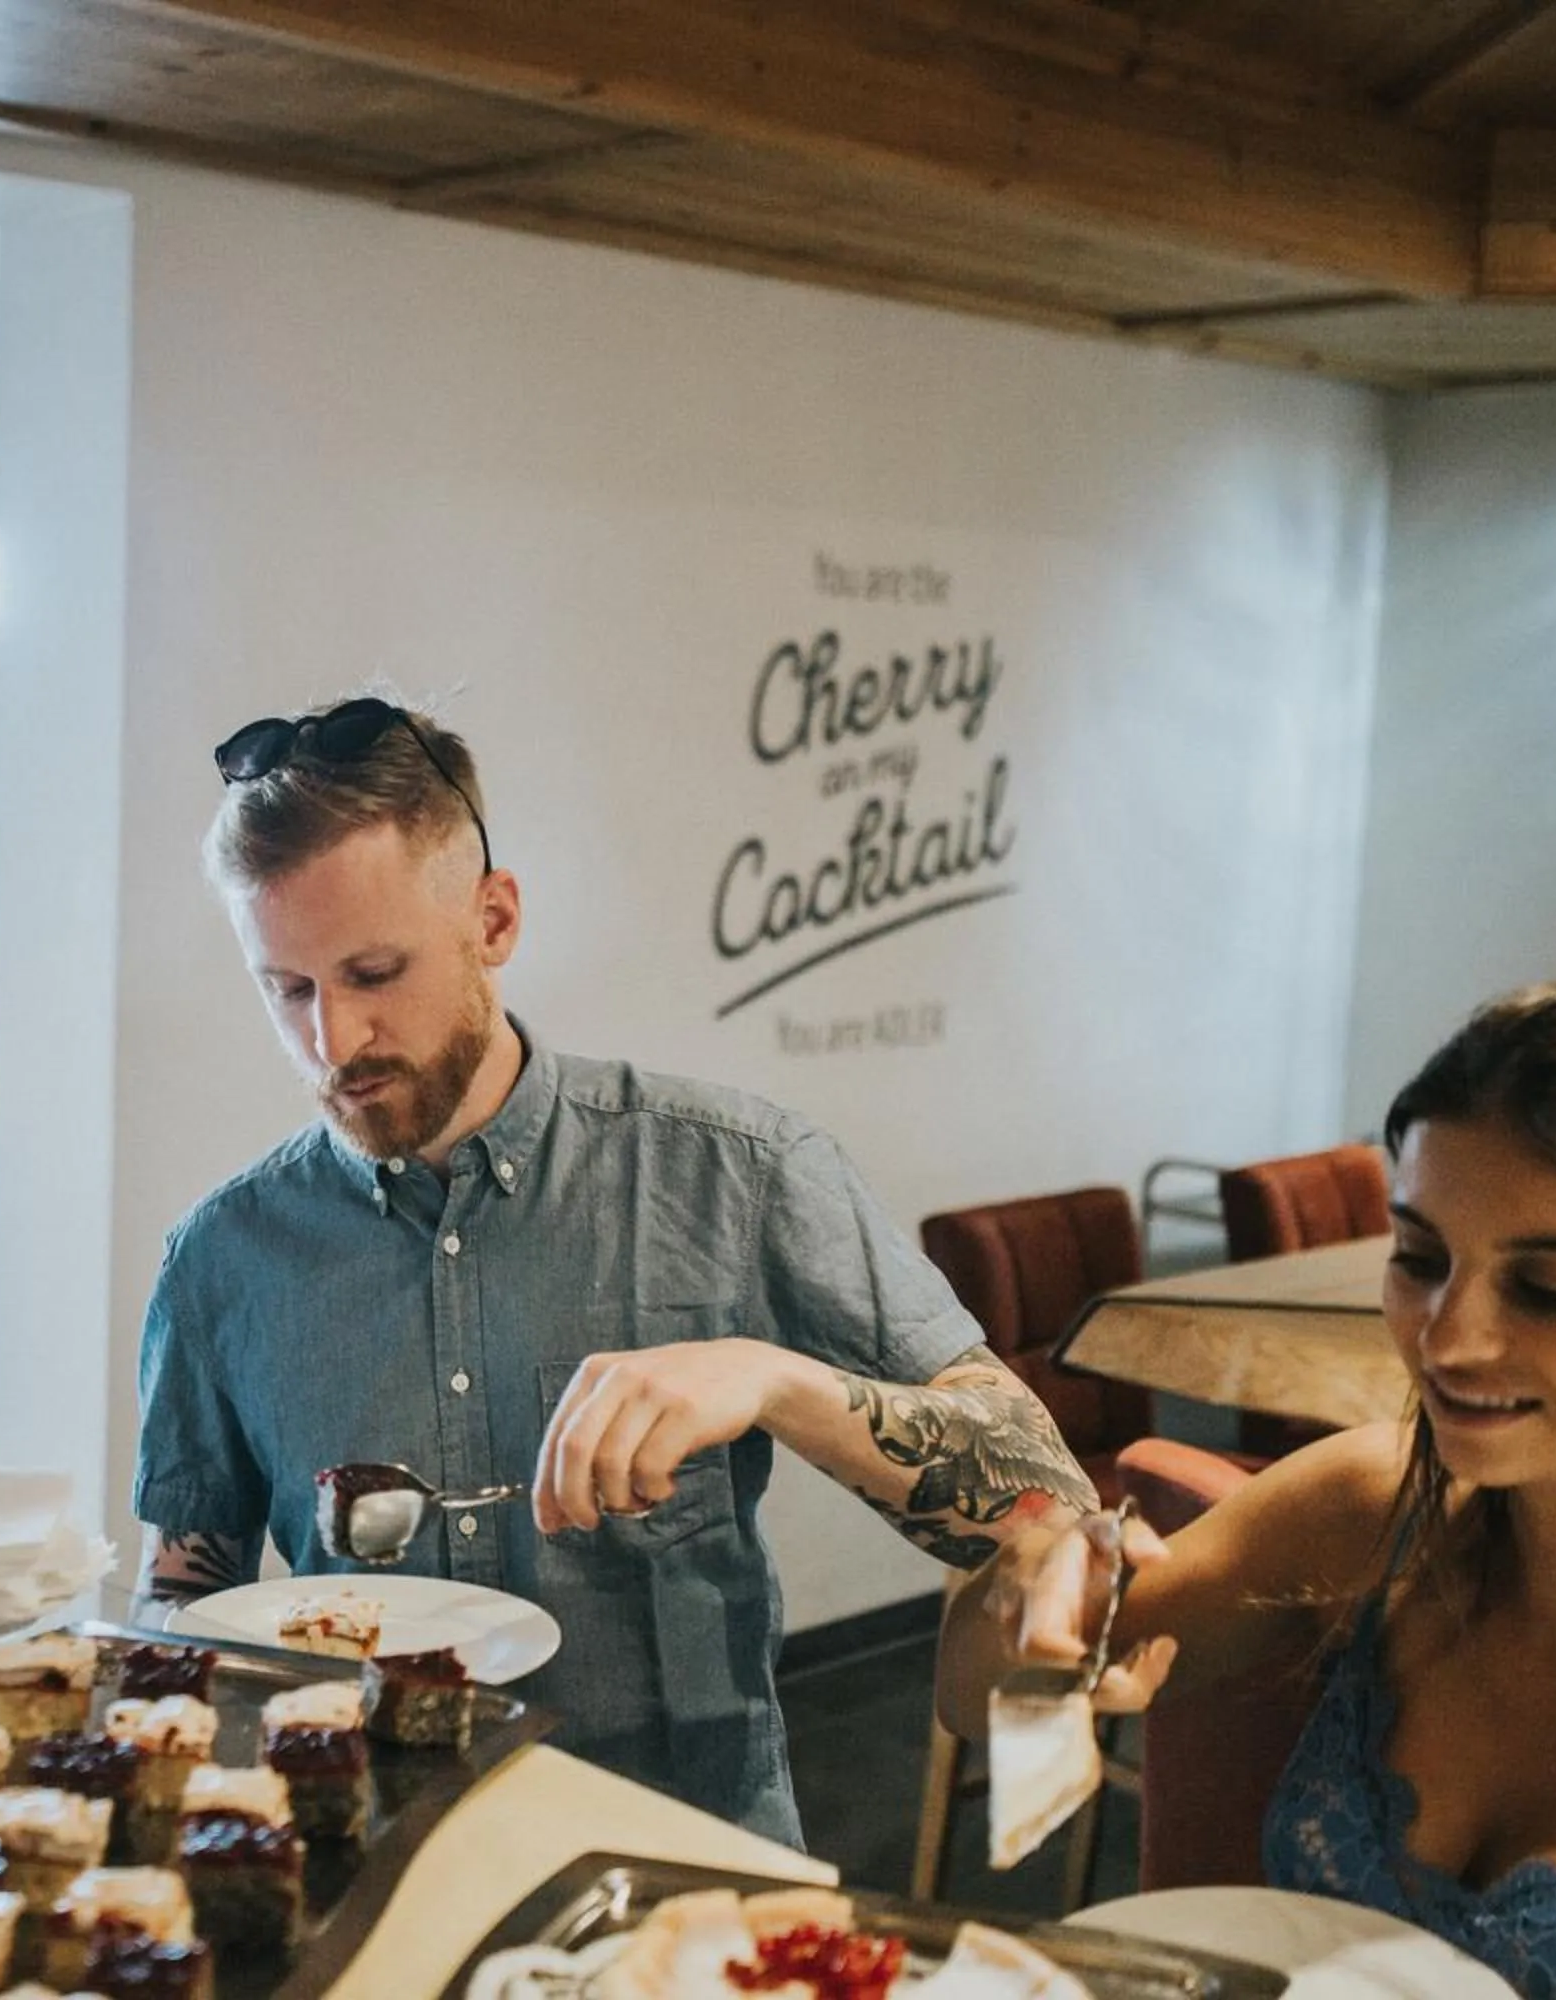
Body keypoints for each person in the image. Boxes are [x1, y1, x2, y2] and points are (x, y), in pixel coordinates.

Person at [134, 692, 1099, 1843]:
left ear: (493, 919)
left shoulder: (736, 1173)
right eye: (285, 989)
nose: (333, 1042)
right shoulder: (221, 1259)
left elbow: (1048, 1496)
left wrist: (772, 1378)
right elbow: (187, 1591)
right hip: (371, 1867)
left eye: (374, 971)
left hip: (686, 1850)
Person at [938, 976, 1556, 1994]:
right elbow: (969, 1694)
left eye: (1551, 1289)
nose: (1450, 1336)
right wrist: (1036, 1589)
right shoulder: (1370, 1510)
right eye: (1421, 1256)